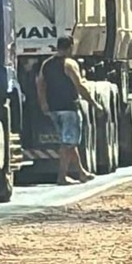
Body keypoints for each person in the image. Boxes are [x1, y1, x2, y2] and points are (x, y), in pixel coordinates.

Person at [36, 36, 103, 185]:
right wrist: (94, 104)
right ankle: (62, 177)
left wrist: (44, 104)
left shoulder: (46, 64)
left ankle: (81, 172)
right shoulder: (69, 64)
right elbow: (80, 86)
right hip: (69, 108)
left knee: (69, 142)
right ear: (70, 47)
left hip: (54, 109)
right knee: (68, 144)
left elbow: (40, 84)